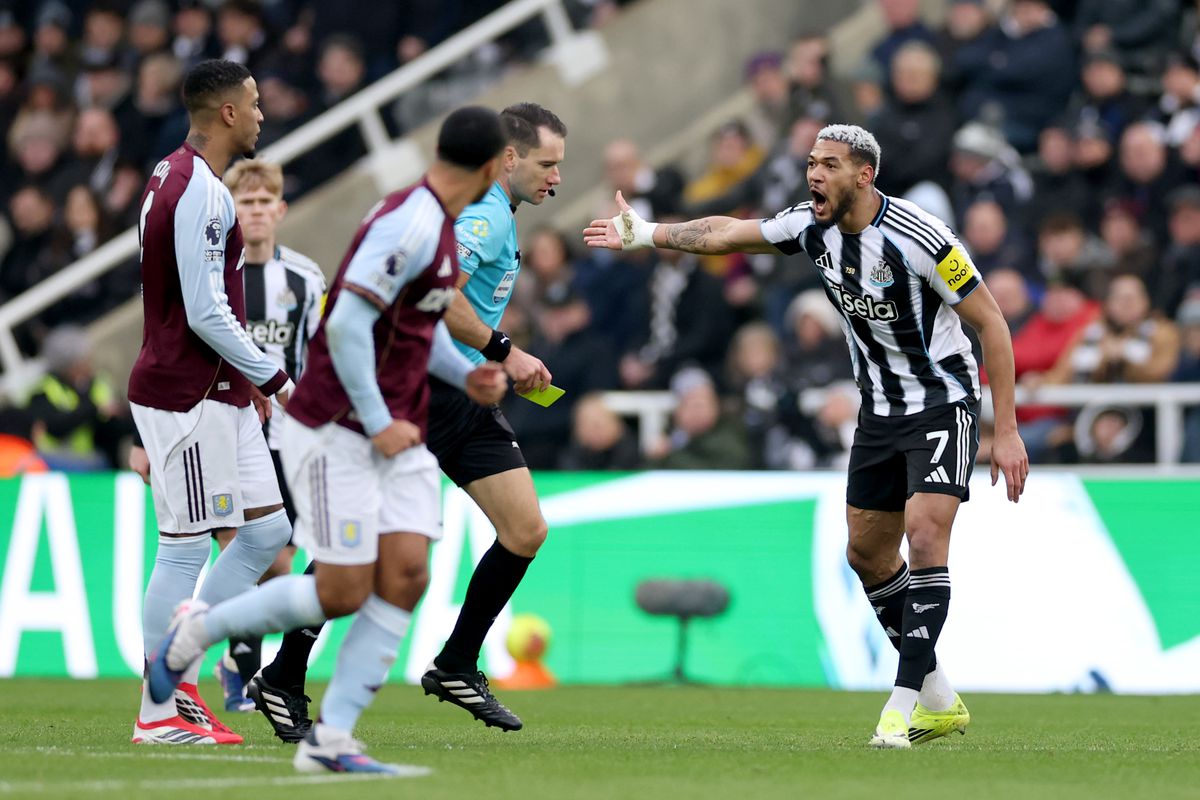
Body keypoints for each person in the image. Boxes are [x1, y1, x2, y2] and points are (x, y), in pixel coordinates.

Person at [584, 123, 1028, 748]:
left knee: (927, 535)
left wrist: (1003, 430)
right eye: (811, 162)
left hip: (942, 403)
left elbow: (993, 325)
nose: (813, 174)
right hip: (878, 413)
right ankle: (939, 695)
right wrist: (649, 234)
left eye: (828, 165)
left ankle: (901, 708)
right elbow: (728, 233)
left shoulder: (924, 239)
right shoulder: (808, 225)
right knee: (867, 554)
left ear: (863, 175)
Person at [147, 105, 510, 774]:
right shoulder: (413, 225)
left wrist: (469, 374)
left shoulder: (442, 228)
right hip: (339, 427)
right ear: (491, 169)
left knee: (405, 573)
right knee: (342, 590)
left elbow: (417, 331)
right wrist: (376, 419)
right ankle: (197, 630)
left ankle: (332, 741)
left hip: (396, 425)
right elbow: (345, 326)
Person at [246, 102, 566, 741]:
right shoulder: (476, 218)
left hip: (463, 395)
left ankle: (455, 663)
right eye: (546, 162)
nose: (555, 175)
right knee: (359, 551)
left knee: (525, 528)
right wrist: (506, 349)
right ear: (505, 159)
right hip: (418, 394)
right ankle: (280, 674)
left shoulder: (491, 213)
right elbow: (441, 307)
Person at [128, 59, 294, 745]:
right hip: (184, 393)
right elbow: (204, 310)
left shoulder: (177, 175)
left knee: (265, 533)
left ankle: (183, 670)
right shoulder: (198, 188)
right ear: (227, 112)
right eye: (253, 103)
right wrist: (276, 376)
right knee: (184, 546)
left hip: (220, 390)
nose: (261, 114)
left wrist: (245, 380)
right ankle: (158, 709)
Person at [210, 159, 327, 713]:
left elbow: (321, 352)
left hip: (289, 436)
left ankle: (242, 662)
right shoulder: (213, 275)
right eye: (245, 203)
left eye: (264, 203)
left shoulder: (305, 279)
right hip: (227, 428)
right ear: (230, 211)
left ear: (279, 209)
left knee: (279, 559)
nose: (255, 212)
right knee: (240, 546)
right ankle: (241, 675)